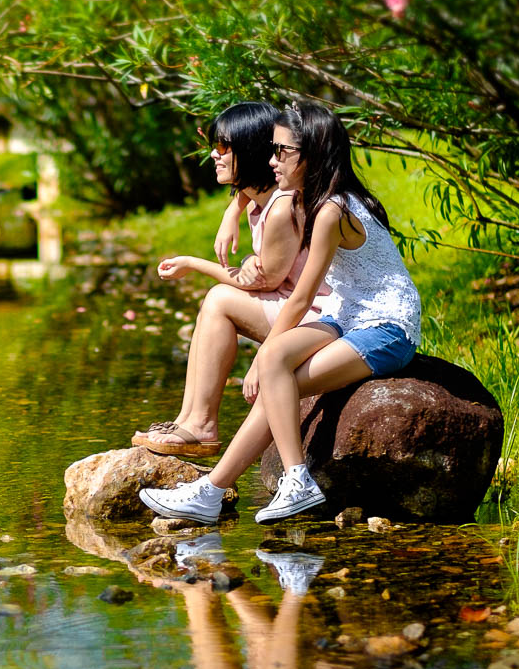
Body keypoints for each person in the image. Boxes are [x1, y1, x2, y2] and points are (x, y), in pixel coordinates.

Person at [139, 101, 421, 525]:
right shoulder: (320, 197)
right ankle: (212, 492)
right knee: (274, 366)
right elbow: (259, 197)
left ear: (313, 154)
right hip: (347, 317)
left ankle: (286, 480)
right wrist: (233, 210)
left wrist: (263, 360)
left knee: (276, 376)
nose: (271, 161)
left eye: (281, 152)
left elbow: (303, 297)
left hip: (385, 328)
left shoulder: (331, 211)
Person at [130, 102, 335, 458]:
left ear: (251, 150)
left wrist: (193, 263)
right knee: (217, 301)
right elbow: (250, 205)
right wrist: (233, 209)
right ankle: (189, 419)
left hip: (317, 315)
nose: (214, 154)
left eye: (224, 147)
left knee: (220, 300)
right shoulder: (261, 195)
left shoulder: (283, 206)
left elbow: (259, 282)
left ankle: (201, 425)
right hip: (292, 303)